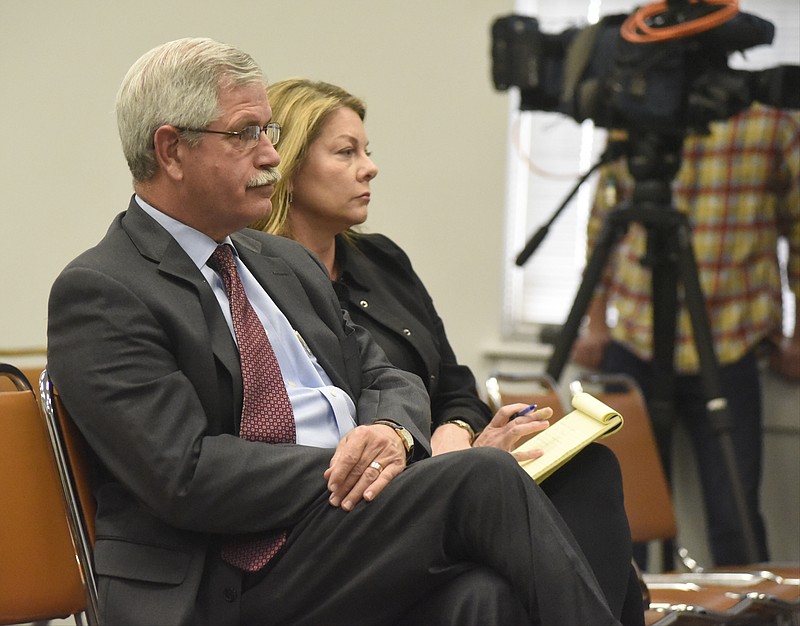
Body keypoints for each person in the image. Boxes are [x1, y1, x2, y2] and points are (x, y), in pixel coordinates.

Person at [47, 38, 625, 625]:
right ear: (171, 150)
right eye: (246, 134)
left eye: (269, 133)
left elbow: (386, 373)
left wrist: (391, 432)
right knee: (481, 476)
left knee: (484, 596)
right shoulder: (103, 289)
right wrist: (353, 461)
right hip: (230, 573)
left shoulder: (280, 262)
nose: (270, 156)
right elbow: (185, 475)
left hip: (343, 531)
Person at [253, 78, 644, 624]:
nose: (370, 168)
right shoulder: (257, 287)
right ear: (290, 168)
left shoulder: (383, 262)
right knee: (495, 581)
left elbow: (455, 384)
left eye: (368, 151)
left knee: (589, 467)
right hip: (373, 500)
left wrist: (460, 433)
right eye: (347, 153)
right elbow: (322, 423)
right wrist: (437, 458)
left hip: (453, 473)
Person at [572, 104, 800, 567]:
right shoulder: (636, 115)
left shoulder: (771, 125)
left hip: (728, 343)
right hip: (633, 341)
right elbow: (603, 226)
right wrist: (595, 324)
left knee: (733, 516)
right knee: (617, 513)